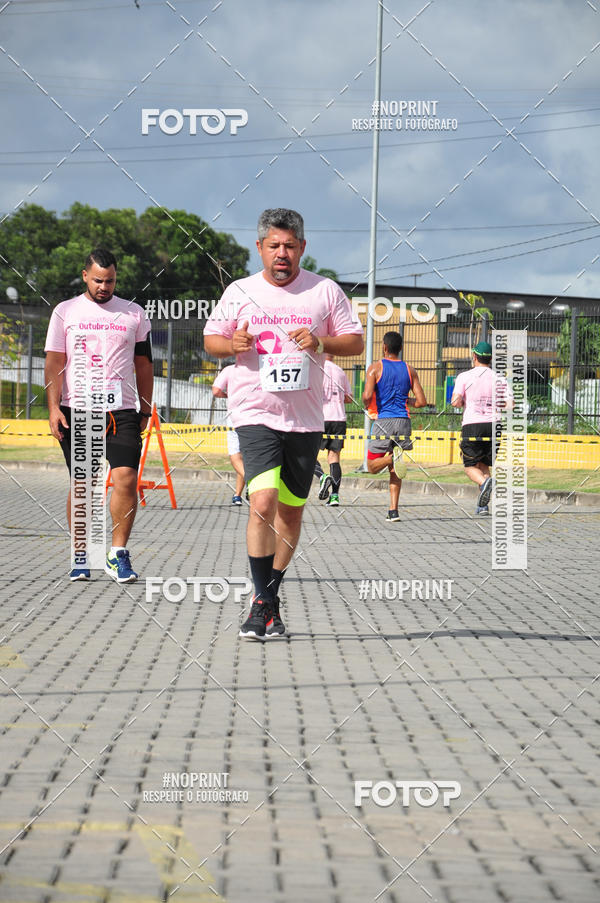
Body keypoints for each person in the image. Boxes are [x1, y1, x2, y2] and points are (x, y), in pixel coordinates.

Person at [204, 208, 363, 640]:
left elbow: (355, 340)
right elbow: (211, 340)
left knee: (291, 513)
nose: (282, 254)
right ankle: (261, 603)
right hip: (255, 413)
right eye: (274, 246)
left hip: (305, 420)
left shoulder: (325, 292)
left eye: (290, 246)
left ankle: (269, 598)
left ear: (302, 248)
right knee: (263, 502)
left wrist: (321, 341)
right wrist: (230, 343)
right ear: (260, 248)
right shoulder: (239, 291)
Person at [44, 247, 153, 583]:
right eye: (99, 281)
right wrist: (52, 408)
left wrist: (147, 408)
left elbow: (144, 365)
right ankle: (81, 553)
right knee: (85, 484)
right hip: (76, 409)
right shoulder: (65, 312)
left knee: (126, 479)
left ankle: (117, 554)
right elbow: (54, 362)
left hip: (121, 410)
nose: (105, 287)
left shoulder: (134, 313)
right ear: (85, 276)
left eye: (111, 281)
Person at [363, 331, 426, 522]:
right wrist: (405, 402)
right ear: (400, 348)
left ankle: (391, 458)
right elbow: (422, 401)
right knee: (395, 471)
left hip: (384, 421)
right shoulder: (410, 369)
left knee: (372, 466)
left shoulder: (375, 368)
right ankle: (393, 511)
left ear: (384, 346)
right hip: (403, 421)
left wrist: (369, 405)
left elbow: (366, 396)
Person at [450, 340, 510, 515]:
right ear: (490, 359)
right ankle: (483, 506)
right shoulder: (499, 378)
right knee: (484, 465)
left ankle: (485, 484)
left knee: (469, 466)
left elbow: (455, 402)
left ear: (474, 356)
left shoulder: (465, 376)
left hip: (472, 424)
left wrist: (462, 401)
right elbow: (510, 404)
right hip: (495, 425)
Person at [314, 354, 353, 507]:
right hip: (338, 418)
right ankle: (335, 496)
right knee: (334, 457)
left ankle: (322, 477)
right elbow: (348, 398)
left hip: (320, 417)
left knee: (309, 454)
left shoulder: (316, 369)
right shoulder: (340, 371)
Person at [212, 364, 246, 505]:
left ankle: (253, 483)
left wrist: (227, 395)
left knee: (235, 457)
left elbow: (216, 391)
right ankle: (237, 495)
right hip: (257, 419)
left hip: (235, 419)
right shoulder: (260, 368)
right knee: (245, 460)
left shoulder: (230, 370)